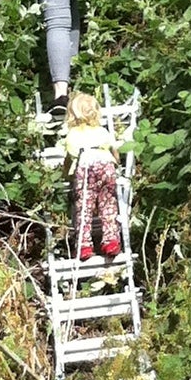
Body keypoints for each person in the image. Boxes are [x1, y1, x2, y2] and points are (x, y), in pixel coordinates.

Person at [63, 93, 121, 260]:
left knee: (84, 208)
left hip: (86, 167)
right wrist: (116, 163)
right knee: (108, 204)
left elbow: (69, 158)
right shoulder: (103, 131)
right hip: (106, 166)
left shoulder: (73, 134)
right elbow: (114, 151)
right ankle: (111, 241)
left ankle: (84, 245)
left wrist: (66, 174)